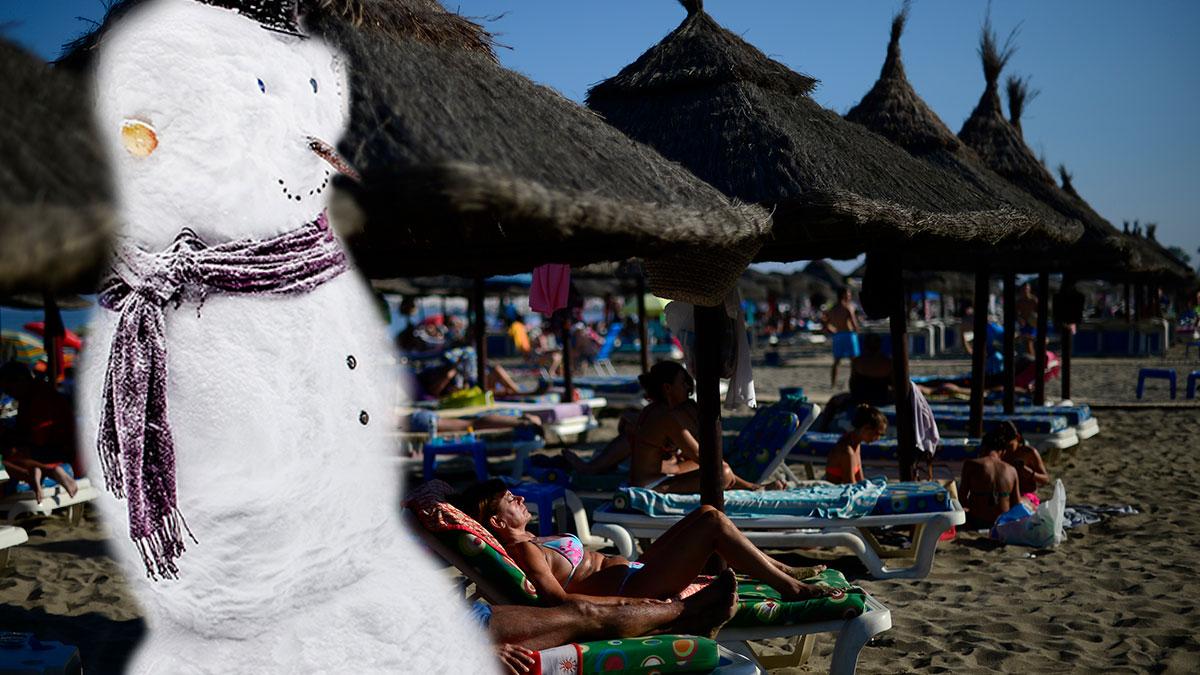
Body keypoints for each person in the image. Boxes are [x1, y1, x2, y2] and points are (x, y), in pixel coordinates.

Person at [457, 479, 833, 606]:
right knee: (714, 523)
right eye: (511, 500)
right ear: (496, 521)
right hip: (637, 585)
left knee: (705, 511)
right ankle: (789, 585)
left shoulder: (533, 538)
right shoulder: (524, 550)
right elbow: (558, 599)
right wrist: (628, 604)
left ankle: (781, 569)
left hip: (637, 569)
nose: (520, 499)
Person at [475, 572, 739, 674]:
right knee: (584, 615)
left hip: (470, 618)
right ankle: (688, 610)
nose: (519, 498)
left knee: (584, 617)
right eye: (509, 499)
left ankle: (686, 621)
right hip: (471, 632)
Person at [592, 361, 780, 492]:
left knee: (721, 468)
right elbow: (704, 458)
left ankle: (751, 486)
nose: (688, 388)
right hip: (651, 485)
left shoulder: (655, 409)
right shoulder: (668, 417)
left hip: (645, 479)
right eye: (683, 383)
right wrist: (735, 477)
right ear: (668, 388)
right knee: (722, 472)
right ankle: (752, 487)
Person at [0, 362, 79, 504]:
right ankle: (44, 471)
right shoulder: (34, 394)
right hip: (52, 449)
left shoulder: (38, 398)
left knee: (7, 457)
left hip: (56, 451)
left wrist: (9, 437)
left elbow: (37, 438)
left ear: (20, 381)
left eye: (8, 388)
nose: (8, 393)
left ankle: (41, 471)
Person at [959, 426, 1024, 529]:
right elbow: (1016, 504)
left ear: (983, 447)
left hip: (976, 520)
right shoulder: (1012, 470)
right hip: (1002, 523)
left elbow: (961, 497)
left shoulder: (971, 464)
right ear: (1003, 451)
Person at [825, 405, 887, 484]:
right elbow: (850, 484)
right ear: (866, 428)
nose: (878, 438)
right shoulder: (847, 450)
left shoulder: (855, 443)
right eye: (877, 433)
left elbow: (860, 479)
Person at [990, 421, 1050, 497]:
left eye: (1009, 445)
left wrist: (1031, 474)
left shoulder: (1028, 453)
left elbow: (1046, 479)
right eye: (1003, 445)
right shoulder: (999, 452)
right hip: (1005, 494)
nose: (1006, 449)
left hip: (1026, 495)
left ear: (1018, 437)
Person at [823, 288, 860, 388]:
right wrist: (857, 331)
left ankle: (833, 383)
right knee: (854, 361)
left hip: (838, 335)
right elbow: (854, 323)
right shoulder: (848, 307)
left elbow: (826, 325)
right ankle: (854, 382)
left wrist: (833, 330)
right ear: (844, 295)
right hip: (849, 335)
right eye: (848, 294)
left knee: (836, 362)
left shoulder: (832, 309)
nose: (850, 296)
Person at [848, 333, 893, 406]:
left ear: (865, 345)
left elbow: (852, 383)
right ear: (880, 345)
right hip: (881, 398)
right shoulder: (888, 362)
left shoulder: (858, 361)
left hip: (861, 399)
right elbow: (894, 384)